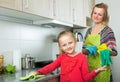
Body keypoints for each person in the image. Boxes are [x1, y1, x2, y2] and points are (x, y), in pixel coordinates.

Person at [24, 30, 106, 82]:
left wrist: (96, 71)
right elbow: (51, 66)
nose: (68, 46)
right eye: (64, 45)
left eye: (70, 43)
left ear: (75, 41)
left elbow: (86, 78)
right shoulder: (62, 57)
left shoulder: (82, 58)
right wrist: (38, 72)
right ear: (60, 47)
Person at [82, 3, 117, 82]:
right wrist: (88, 49)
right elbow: (83, 50)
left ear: (104, 17)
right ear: (92, 14)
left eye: (100, 14)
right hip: (90, 69)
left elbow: (114, 52)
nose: (96, 16)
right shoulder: (88, 31)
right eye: (95, 13)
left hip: (103, 69)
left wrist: (103, 50)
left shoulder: (107, 31)